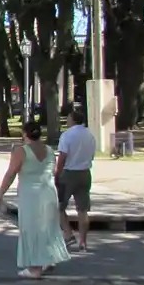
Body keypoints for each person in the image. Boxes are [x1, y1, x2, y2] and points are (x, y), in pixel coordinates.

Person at [0, 119, 71, 278]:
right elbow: (53, 171)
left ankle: (35, 268)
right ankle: (49, 259)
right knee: (48, 227)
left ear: (24, 134)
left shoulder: (21, 151)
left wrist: (0, 194)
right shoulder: (49, 150)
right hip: (49, 192)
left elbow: (11, 174)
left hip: (31, 195)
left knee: (31, 228)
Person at [55, 103, 97, 252]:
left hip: (69, 173)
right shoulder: (90, 135)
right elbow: (92, 155)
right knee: (83, 209)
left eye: (68, 118)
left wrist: (57, 173)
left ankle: (68, 233)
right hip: (85, 173)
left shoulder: (67, 135)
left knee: (58, 206)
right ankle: (83, 241)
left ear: (72, 120)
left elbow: (62, 156)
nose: (67, 120)